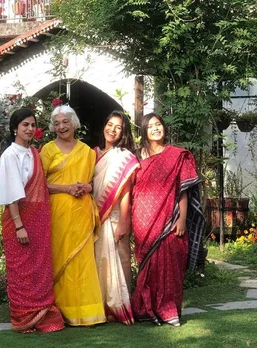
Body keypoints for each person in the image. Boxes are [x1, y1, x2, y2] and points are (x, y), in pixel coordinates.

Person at [131, 113, 204, 327]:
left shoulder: (176, 155)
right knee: (147, 266)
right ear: (144, 131)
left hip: (169, 218)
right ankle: (145, 308)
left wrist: (182, 218)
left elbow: (183, 191)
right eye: (151, 126)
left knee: (171, 263)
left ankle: (168, 309)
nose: (155, 128)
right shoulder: (136, 157)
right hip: (142, 218)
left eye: (159, 124)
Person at [0, 108, 64, 333]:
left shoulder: (34, 152)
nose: (29, 129)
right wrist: (19, 225)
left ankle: (42, 315)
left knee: (40, 268)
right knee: (22, 270)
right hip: (20, 221)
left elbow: (42, 186)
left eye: (33, 125)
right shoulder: (10, 155)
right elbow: (11, 194)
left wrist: (70, 188)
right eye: (25, 125)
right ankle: (24, 318)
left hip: (39, 221)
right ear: (15, 127)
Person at [40, 105, 106, 326]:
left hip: (81, 212)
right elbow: (38, 185)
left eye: (65, 122)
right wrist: (66, 188)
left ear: (74, 123)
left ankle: (88, 312)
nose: (61, 127)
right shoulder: (48, 150)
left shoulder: (87, 152)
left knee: (83, 261)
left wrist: (84, 188)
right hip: (58, 213)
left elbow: (92, 183)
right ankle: (62, 312)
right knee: (61, 259)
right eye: (57, 123)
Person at [93, 111, 139, 325]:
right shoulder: (93, 154)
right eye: (109, 124)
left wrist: (123, 222)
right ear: (104, 126)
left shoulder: (124, 157)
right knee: (98, 262)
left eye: (118, 126)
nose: (112, 129)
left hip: (114, 217)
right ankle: (100, 305)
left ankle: (121, 304)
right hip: (94, 217)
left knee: (119, 261)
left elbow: (125, 192)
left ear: (123, 132)